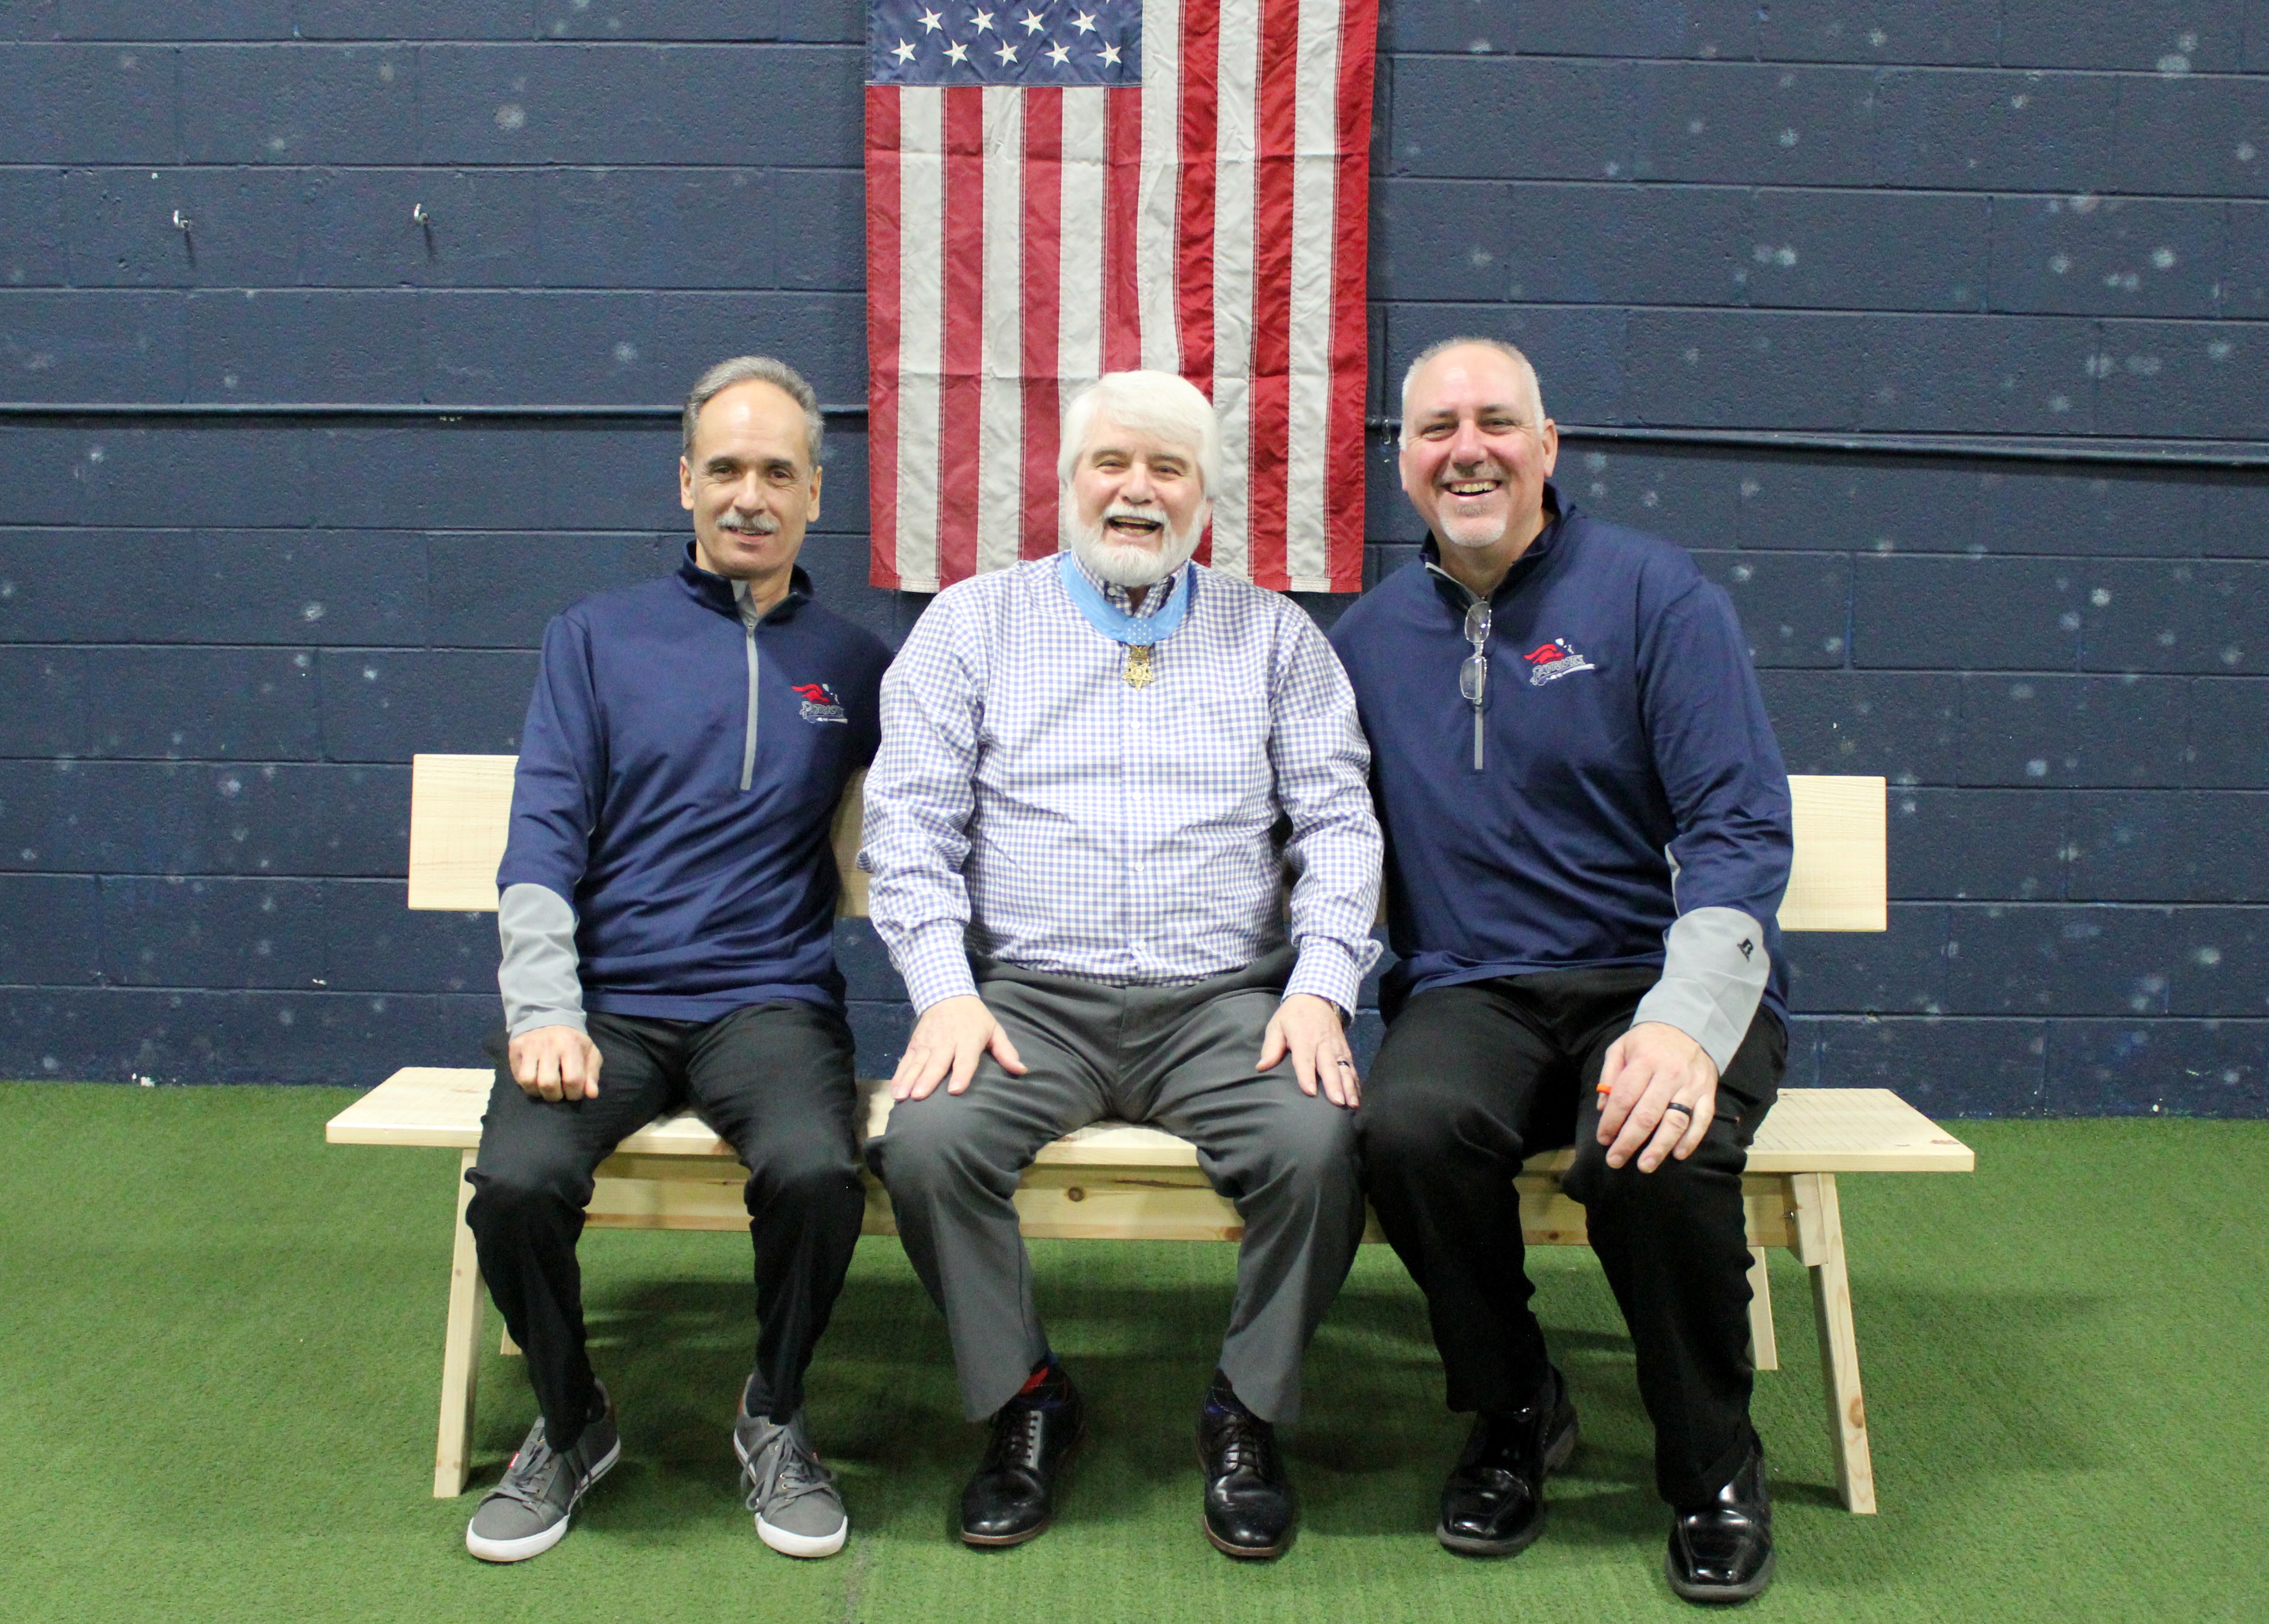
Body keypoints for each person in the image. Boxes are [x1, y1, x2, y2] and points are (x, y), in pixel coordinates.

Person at [859, 371, 1382, 1559]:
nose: (1136, 490)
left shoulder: (1277, 638)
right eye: (1112, 464)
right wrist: (944, 990)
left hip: (1224, 1007)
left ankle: (1244, 1410)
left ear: (1205, 496)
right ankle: (1025, 1397)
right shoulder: (972, 624)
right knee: (927, 1145)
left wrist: (1319, 988)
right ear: (1066, 481)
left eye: (1167, 469)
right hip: (1031, 1005)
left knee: (1321, 1145)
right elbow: (908, 827)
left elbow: (1341, 827)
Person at [1328, 337, 1794, 1604]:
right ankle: (1513, 1406)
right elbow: (1318, 839)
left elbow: (1739, 827)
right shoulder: (1364, 641)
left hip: (1652, 982)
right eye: (1435, 428)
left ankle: (1711, 1466)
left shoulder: (1656, 598)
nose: (1465, 448)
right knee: (1407, 1131)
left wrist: (1686, 1024)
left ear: (1547, 444)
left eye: (1495, 422)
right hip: (1472, 989)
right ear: (1403, 462)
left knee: (1650, 1145)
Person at [460, 356, 892, 1565]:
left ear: (816, 490)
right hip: (608, 1009)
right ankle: (570, 1416)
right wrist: (545, 1006)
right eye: (724, 469)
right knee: (516, 1187)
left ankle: (775, 1406)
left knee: (816, 1172)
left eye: (776, 472)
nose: (747, 495)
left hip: (770, 1004)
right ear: (685, 482)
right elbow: (541, 828)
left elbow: (949, 802)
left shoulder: (856, 664)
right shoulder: (593, 638)